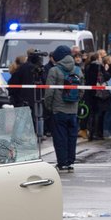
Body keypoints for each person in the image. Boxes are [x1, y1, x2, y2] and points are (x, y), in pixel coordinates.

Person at [45, 45, 82, 173]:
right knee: (72, 137)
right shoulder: (77, 70)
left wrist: (49, 106)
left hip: (58, 109)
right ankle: (71, 162)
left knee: (60, 137)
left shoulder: (54, 71)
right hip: (73, 110)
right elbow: (82, 90)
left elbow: (49, 92)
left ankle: (62, 163)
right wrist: (76, 101)